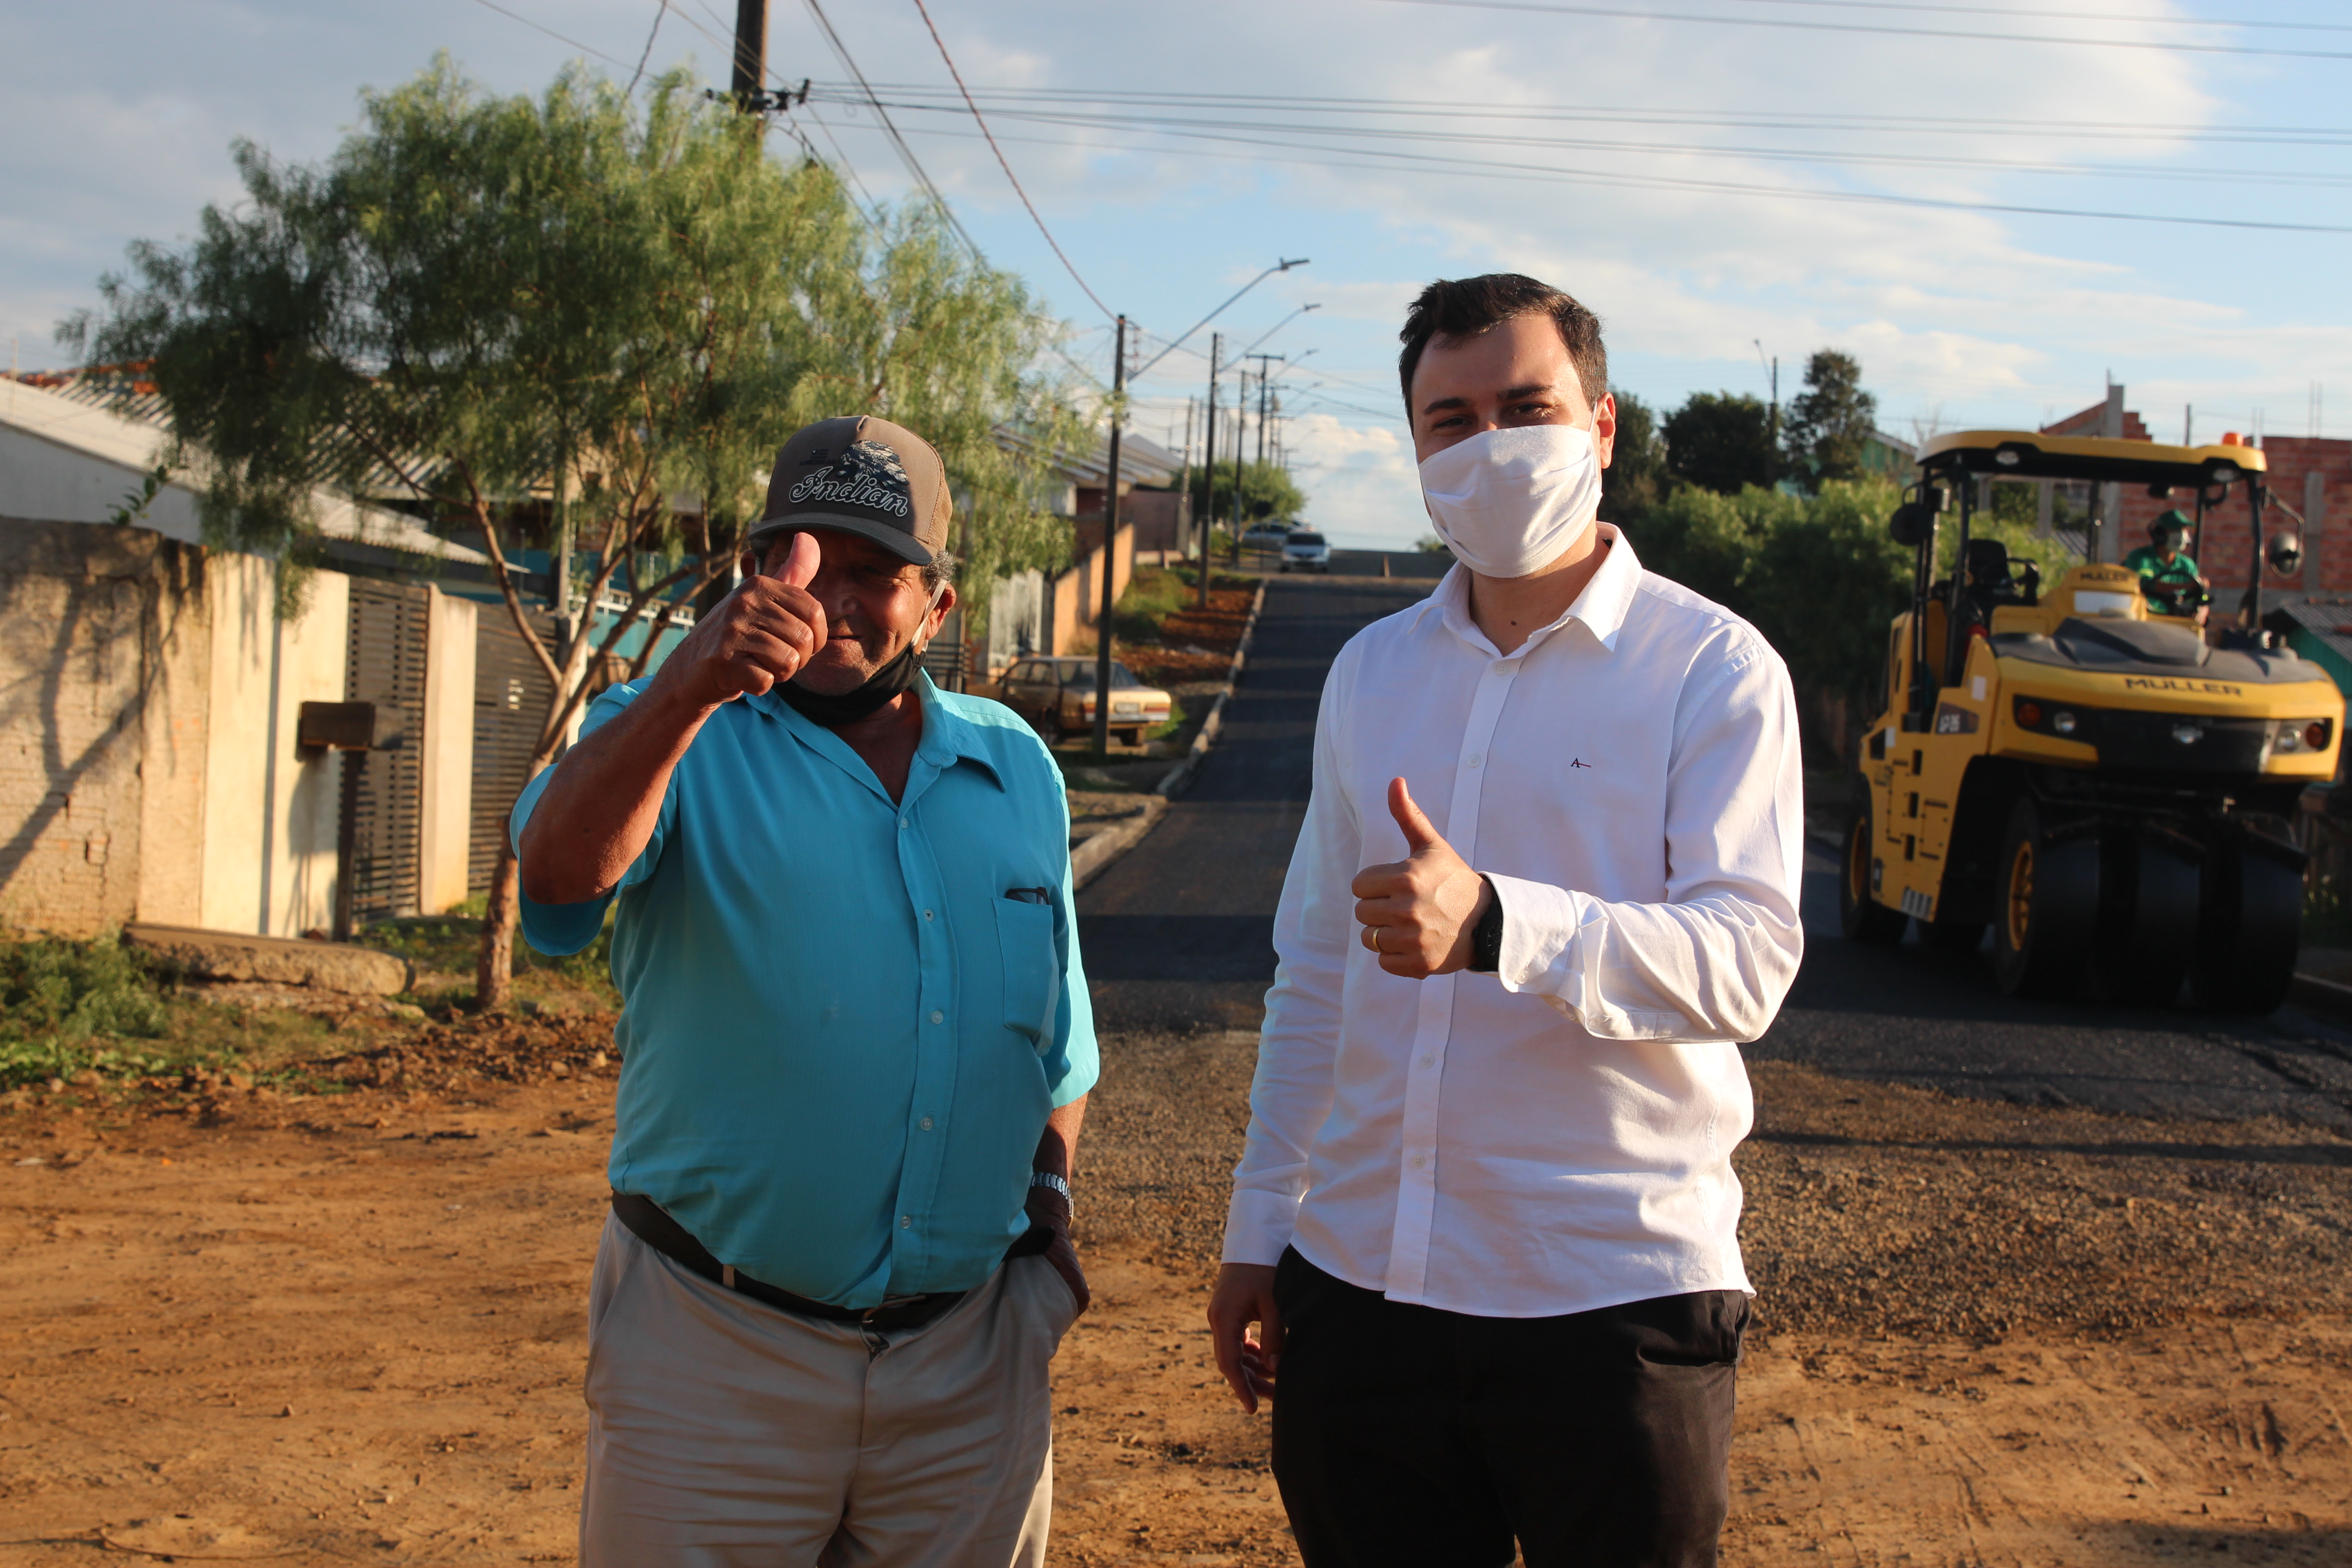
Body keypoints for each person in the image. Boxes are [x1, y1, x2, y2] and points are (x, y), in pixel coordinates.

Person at [1206, 274, 1804, 1568]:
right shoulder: (1370, 673)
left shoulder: (1713, 670)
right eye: (1451, 420)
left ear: (1602, 425)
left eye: (1526, 408)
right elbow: (1314, 970)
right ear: (1417, 448)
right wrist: (1261, 1228)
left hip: (1611, 1299)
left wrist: (1498, 922)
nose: (1489, 446)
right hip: (1364, 1287)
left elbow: (1748, 961)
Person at [513, 415, 1097, 1568]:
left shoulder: (1015, 766)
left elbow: (1060, 1042)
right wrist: (688, 684)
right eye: (805, 558)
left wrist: (1046, 1205)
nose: (833, 597)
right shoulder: (674, 732)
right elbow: (559, 876)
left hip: (968, 1370)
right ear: (752, 572)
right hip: (714, 1354)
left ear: (937, 608)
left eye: (876, 572)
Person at [2122, 509, 2210, 622]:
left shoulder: (2187, 565)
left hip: (2175, 622)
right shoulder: (2140, 557)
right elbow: (2145, 584)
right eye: (2175, 530)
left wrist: (2203, 609)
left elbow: (2198, 597)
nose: (2181, 535)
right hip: (2144, 620)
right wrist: (2186, 586)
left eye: (2183, 530)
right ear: (2160, 534)